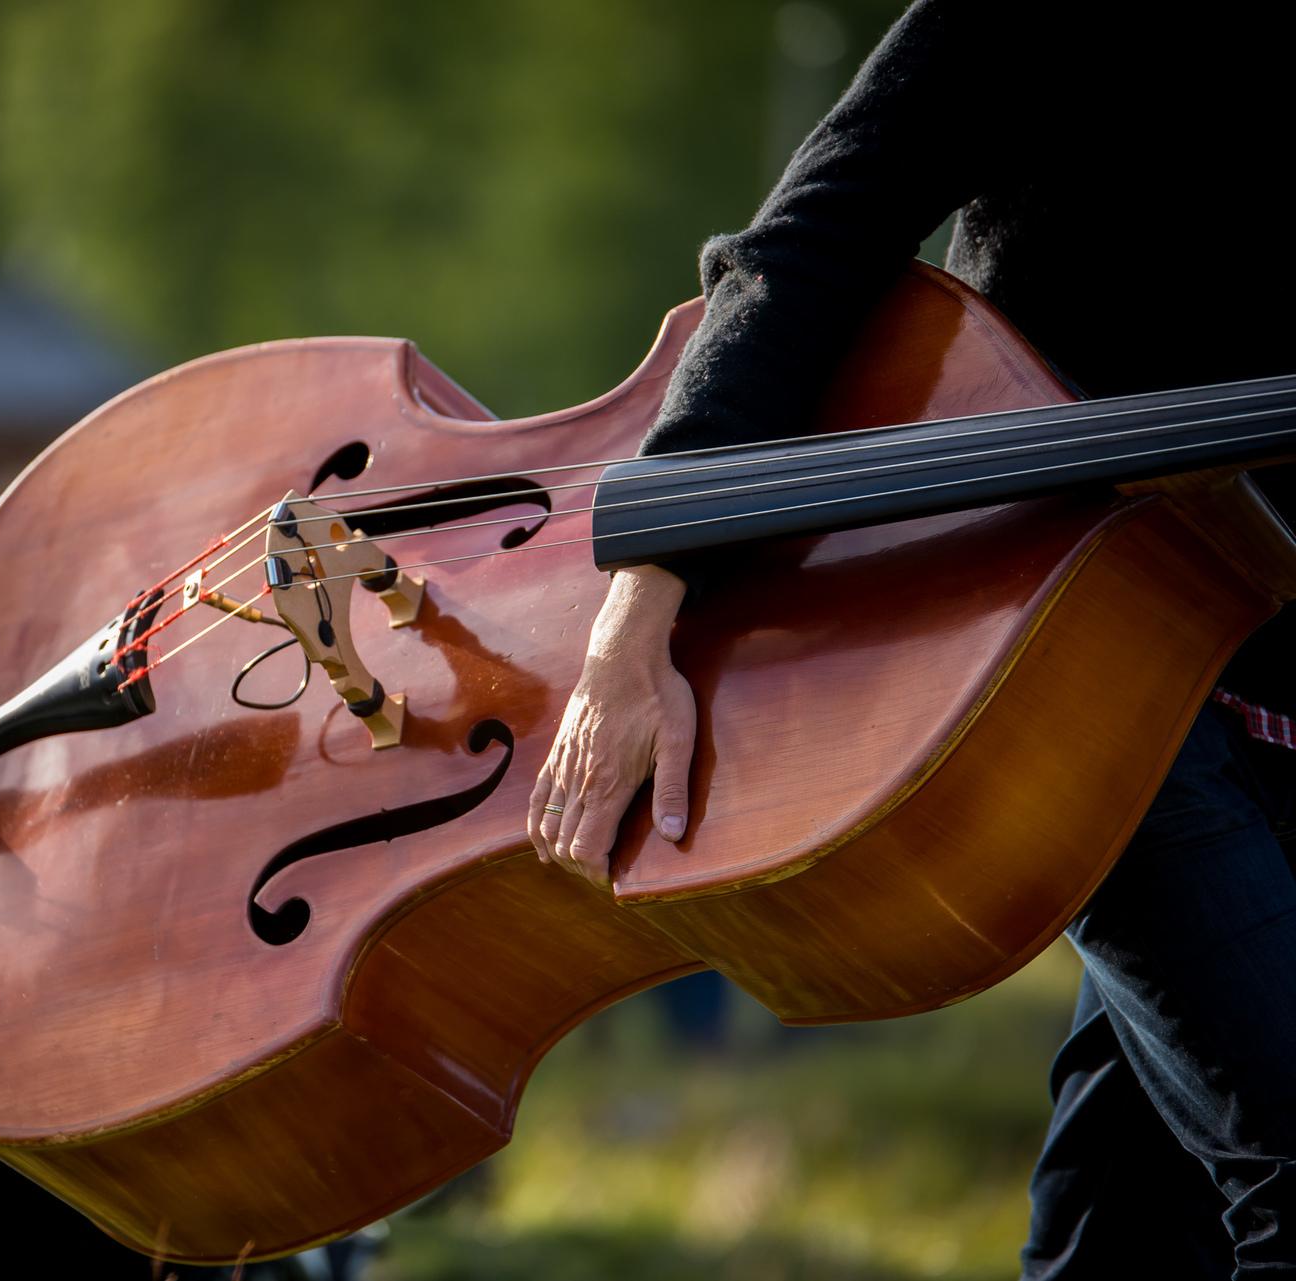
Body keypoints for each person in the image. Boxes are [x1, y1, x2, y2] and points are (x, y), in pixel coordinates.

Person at [524, 3, 1296, 1275]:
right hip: (1051, 654)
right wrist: (642, 590)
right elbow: (810, 246)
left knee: (1136, 1219)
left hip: (1274, 664)